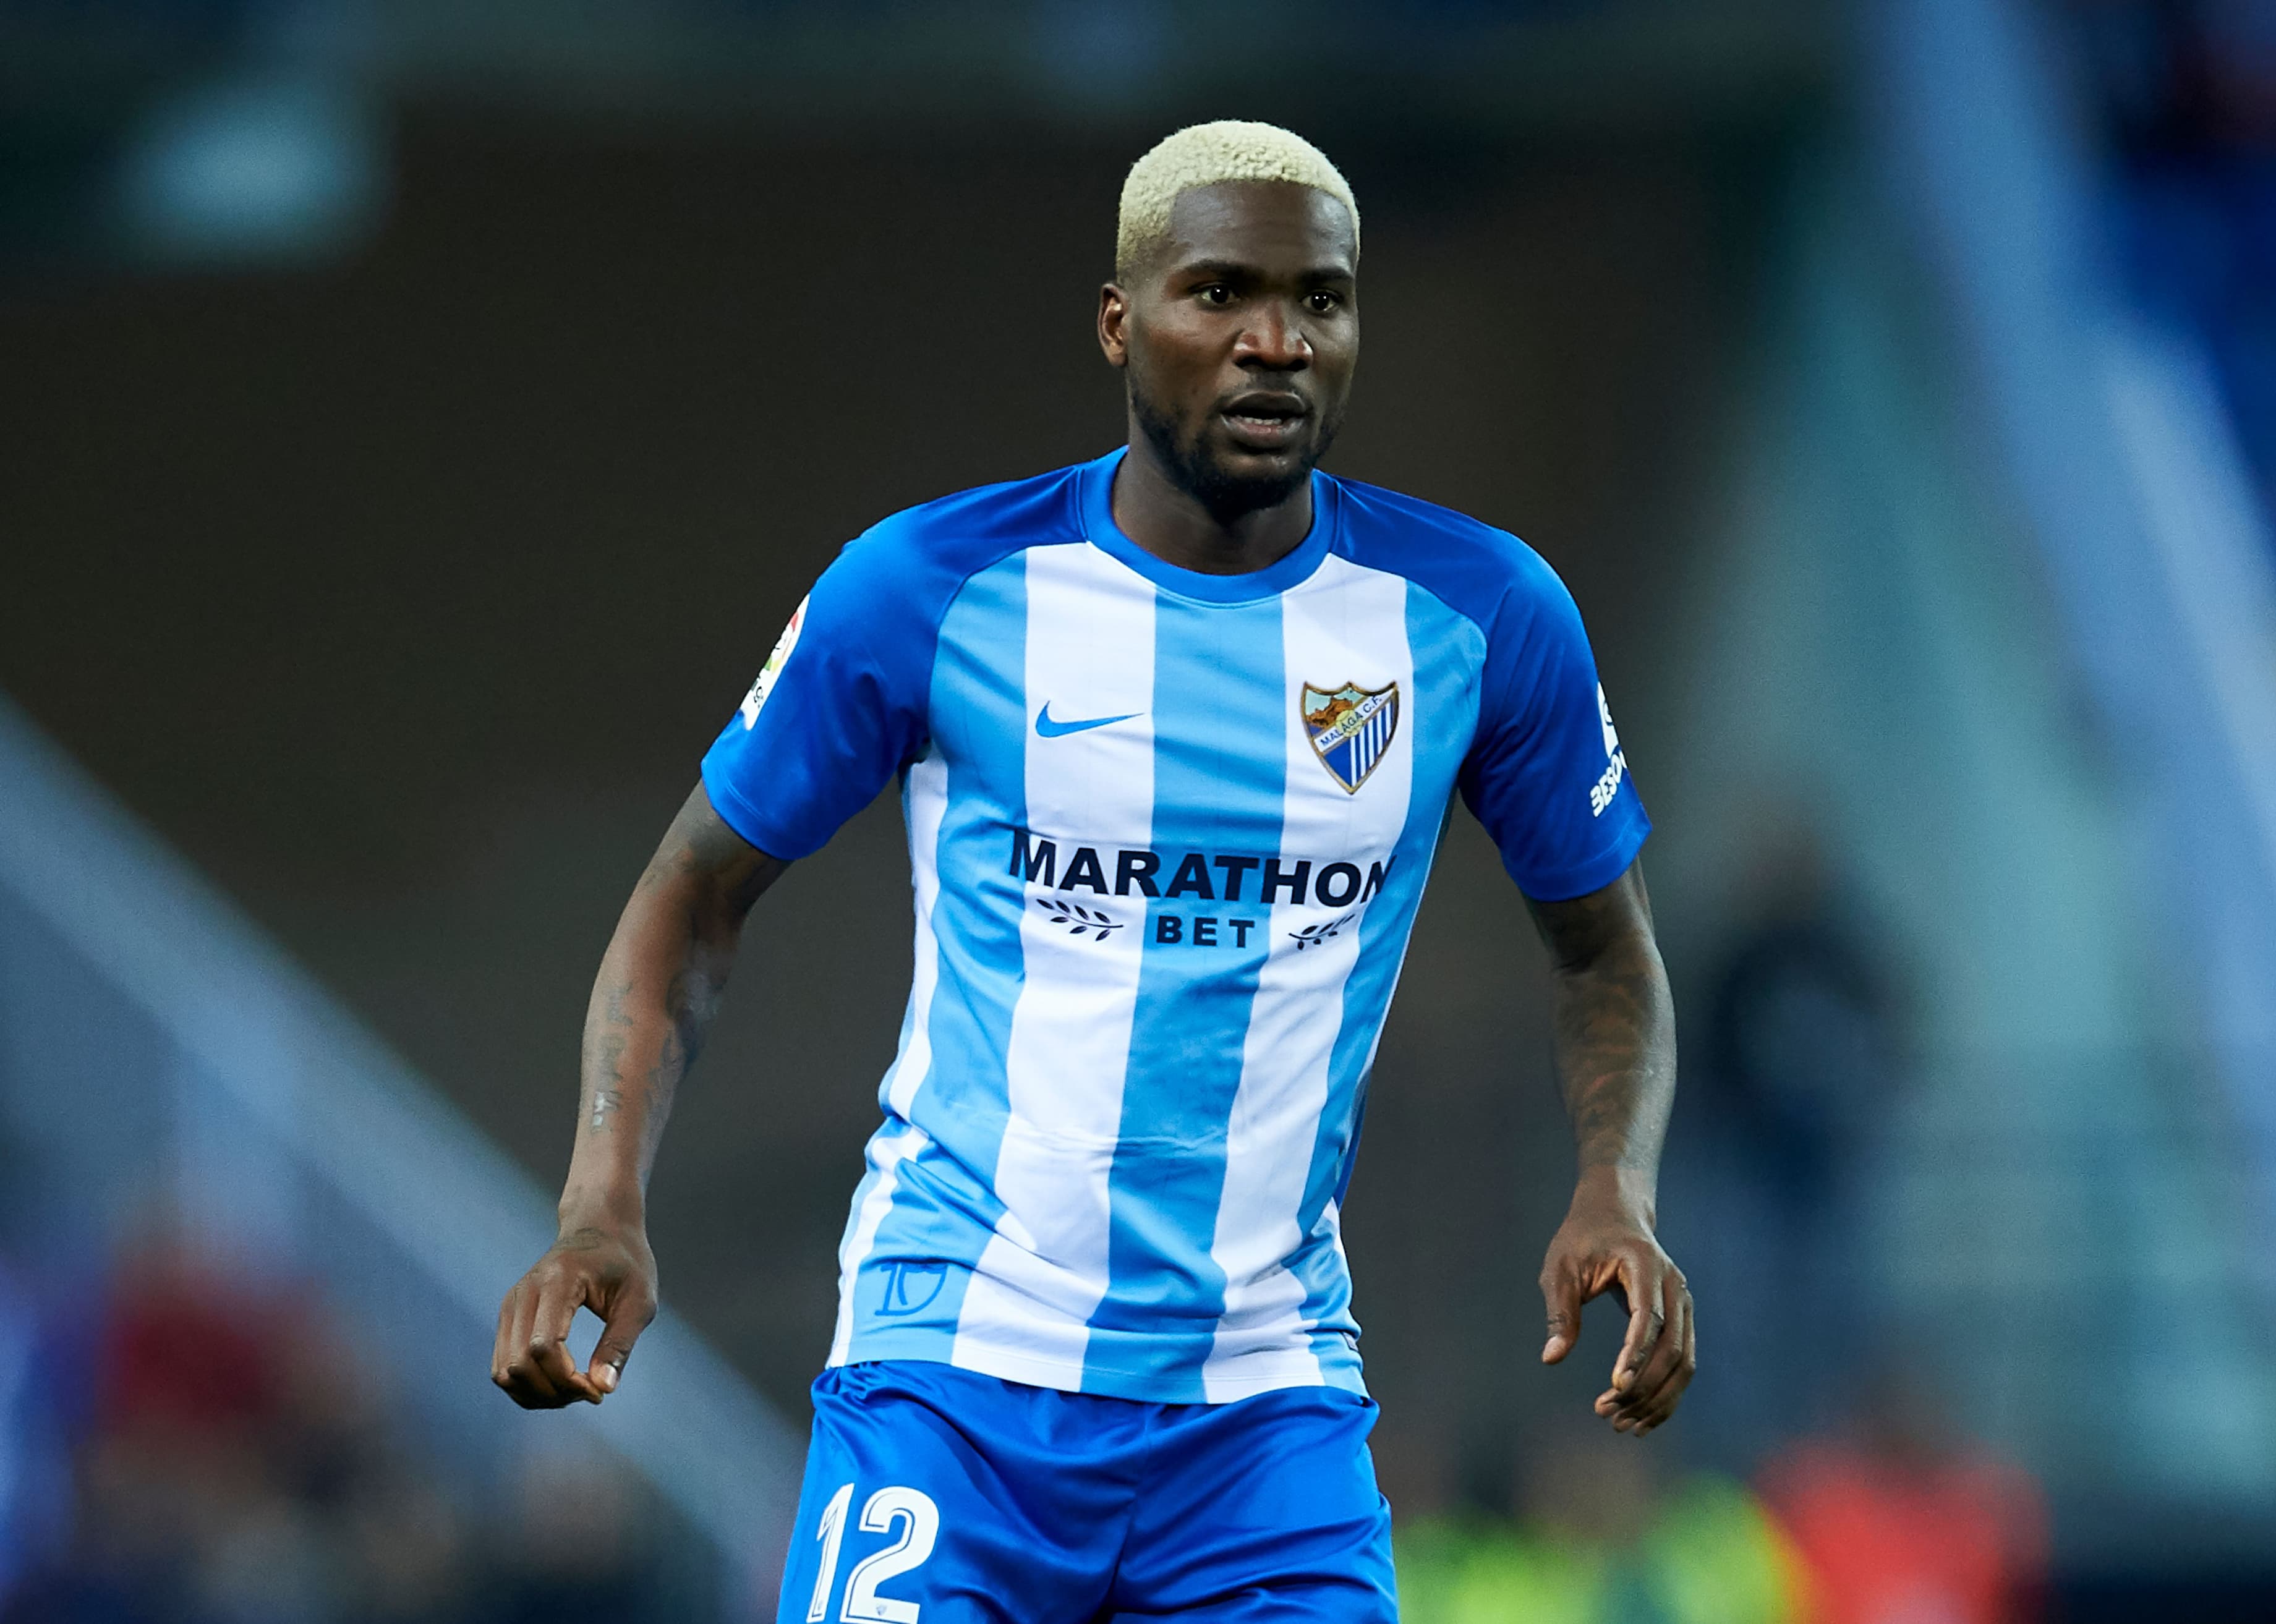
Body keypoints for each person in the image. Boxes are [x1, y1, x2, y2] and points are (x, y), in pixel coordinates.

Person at [490, 119, 1691, 1622]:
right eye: (1220, 295)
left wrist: (1613, 1190)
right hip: (953, 1386)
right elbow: (690, 901)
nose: (1276, 343)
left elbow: (1608, 955)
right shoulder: (933, 588)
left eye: (1321, 301)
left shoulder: (1480, 618)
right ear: (1121, 325)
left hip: (1267, 1417)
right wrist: (602, 1200)